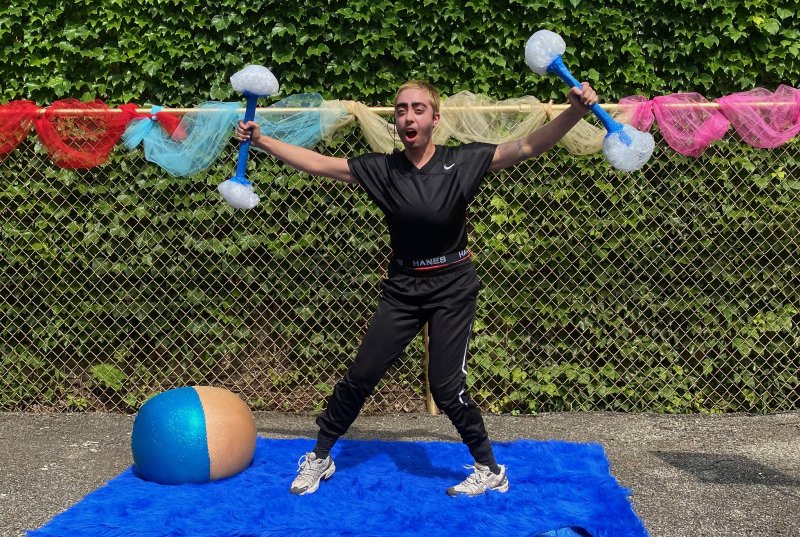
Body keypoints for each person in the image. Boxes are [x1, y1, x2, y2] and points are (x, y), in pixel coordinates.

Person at [236, 79, 598, 496]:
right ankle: (321, 457)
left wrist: (575, 111)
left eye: (418, 109)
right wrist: (263, 142)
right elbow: (318, 163)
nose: (409, 116)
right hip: (403, 289)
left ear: (434, 118)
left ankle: (489, 468)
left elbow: (527, 147)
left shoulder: (462, 162)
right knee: (361, 375)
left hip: (452, 288)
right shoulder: (383, 169)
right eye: (402, 109)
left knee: (446, 388)